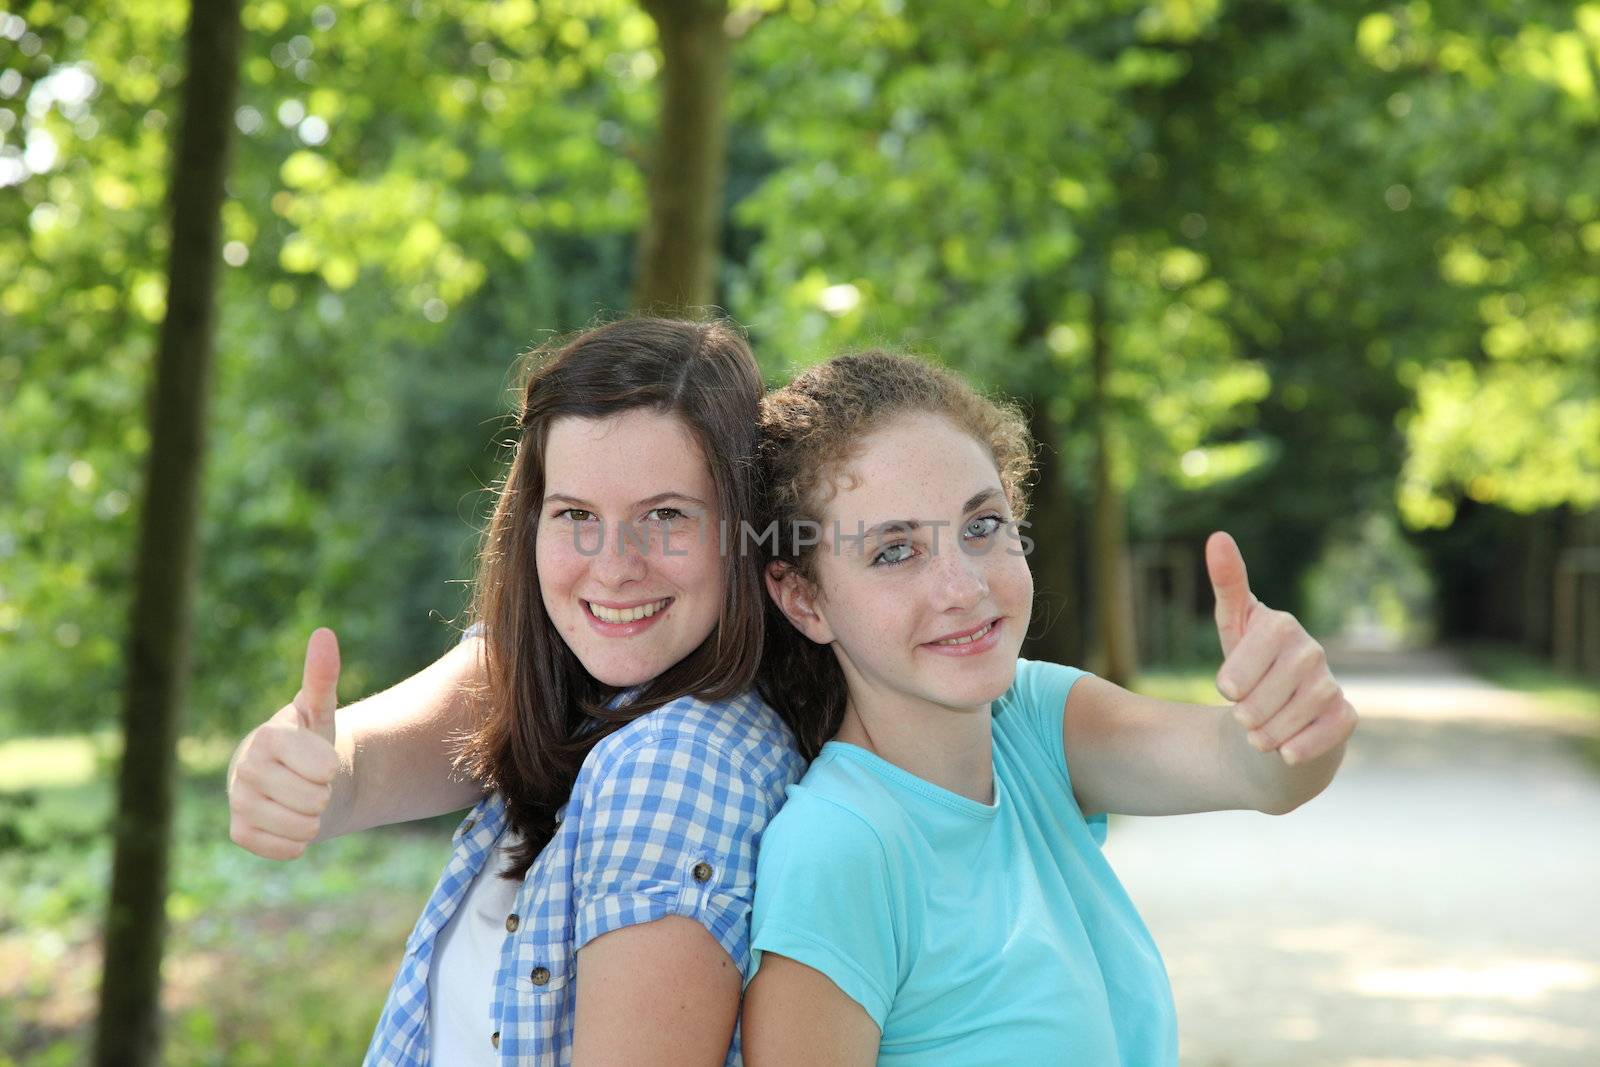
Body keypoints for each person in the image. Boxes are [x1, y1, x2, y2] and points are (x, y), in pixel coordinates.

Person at [740, 352, 1358, 1065]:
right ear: (804, 598)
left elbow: (1257, 773)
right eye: (894, 551)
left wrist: (1290, 712)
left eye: (981, 525)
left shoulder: (1032, 719)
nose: (962, 587)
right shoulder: (839, 849)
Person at [226, 317, 809, 1066]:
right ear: (530, 522)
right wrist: (292, 768)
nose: (613, 566)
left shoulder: (675, 761)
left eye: (665, 515)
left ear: (743, 527)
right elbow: (363, 760)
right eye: (575, 515)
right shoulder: (559, 677)